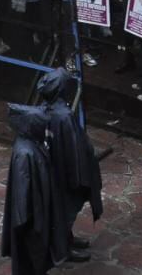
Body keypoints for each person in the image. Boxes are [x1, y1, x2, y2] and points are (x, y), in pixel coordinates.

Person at [36, 69, 102, 261]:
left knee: (62, 209)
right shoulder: (63, 115)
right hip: (65, 172)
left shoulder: (46, 107)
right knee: (66, 209)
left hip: (55, 169)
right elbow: (73, 148)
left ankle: (67, 239)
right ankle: (63, 248)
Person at [1, 103, 68, 275]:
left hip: (36, 214)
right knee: (30, 258)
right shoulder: (25, 154)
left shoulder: (31, 143)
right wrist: (29, 221)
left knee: (35, 258)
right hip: (32, 220)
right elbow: (23, 197)